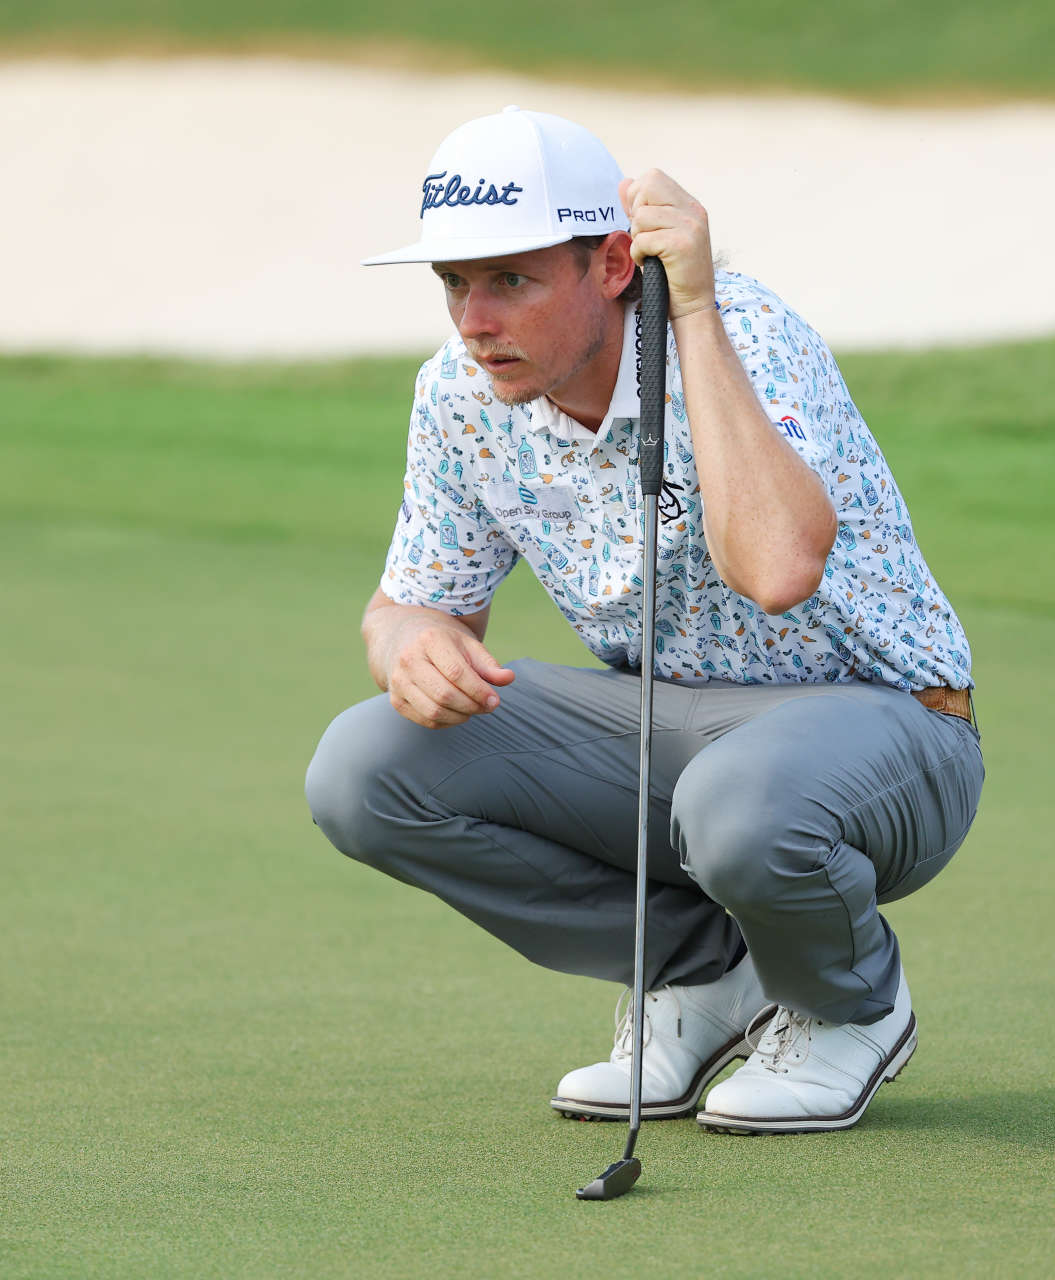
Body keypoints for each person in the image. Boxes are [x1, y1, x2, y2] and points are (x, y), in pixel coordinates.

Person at [305, 107, 984, 1134]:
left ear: (615, 263)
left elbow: (777, 567)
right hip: (668, 729)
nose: (474, 320)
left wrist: (697, 313)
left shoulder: (742, 332)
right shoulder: (459, 393)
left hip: (891, 730)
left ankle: (852, 1005)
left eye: (512, 281)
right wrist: (412, 644)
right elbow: (411, 603)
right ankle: (709, 972)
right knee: (365, 766)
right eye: (455, 285)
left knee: (737, 804)